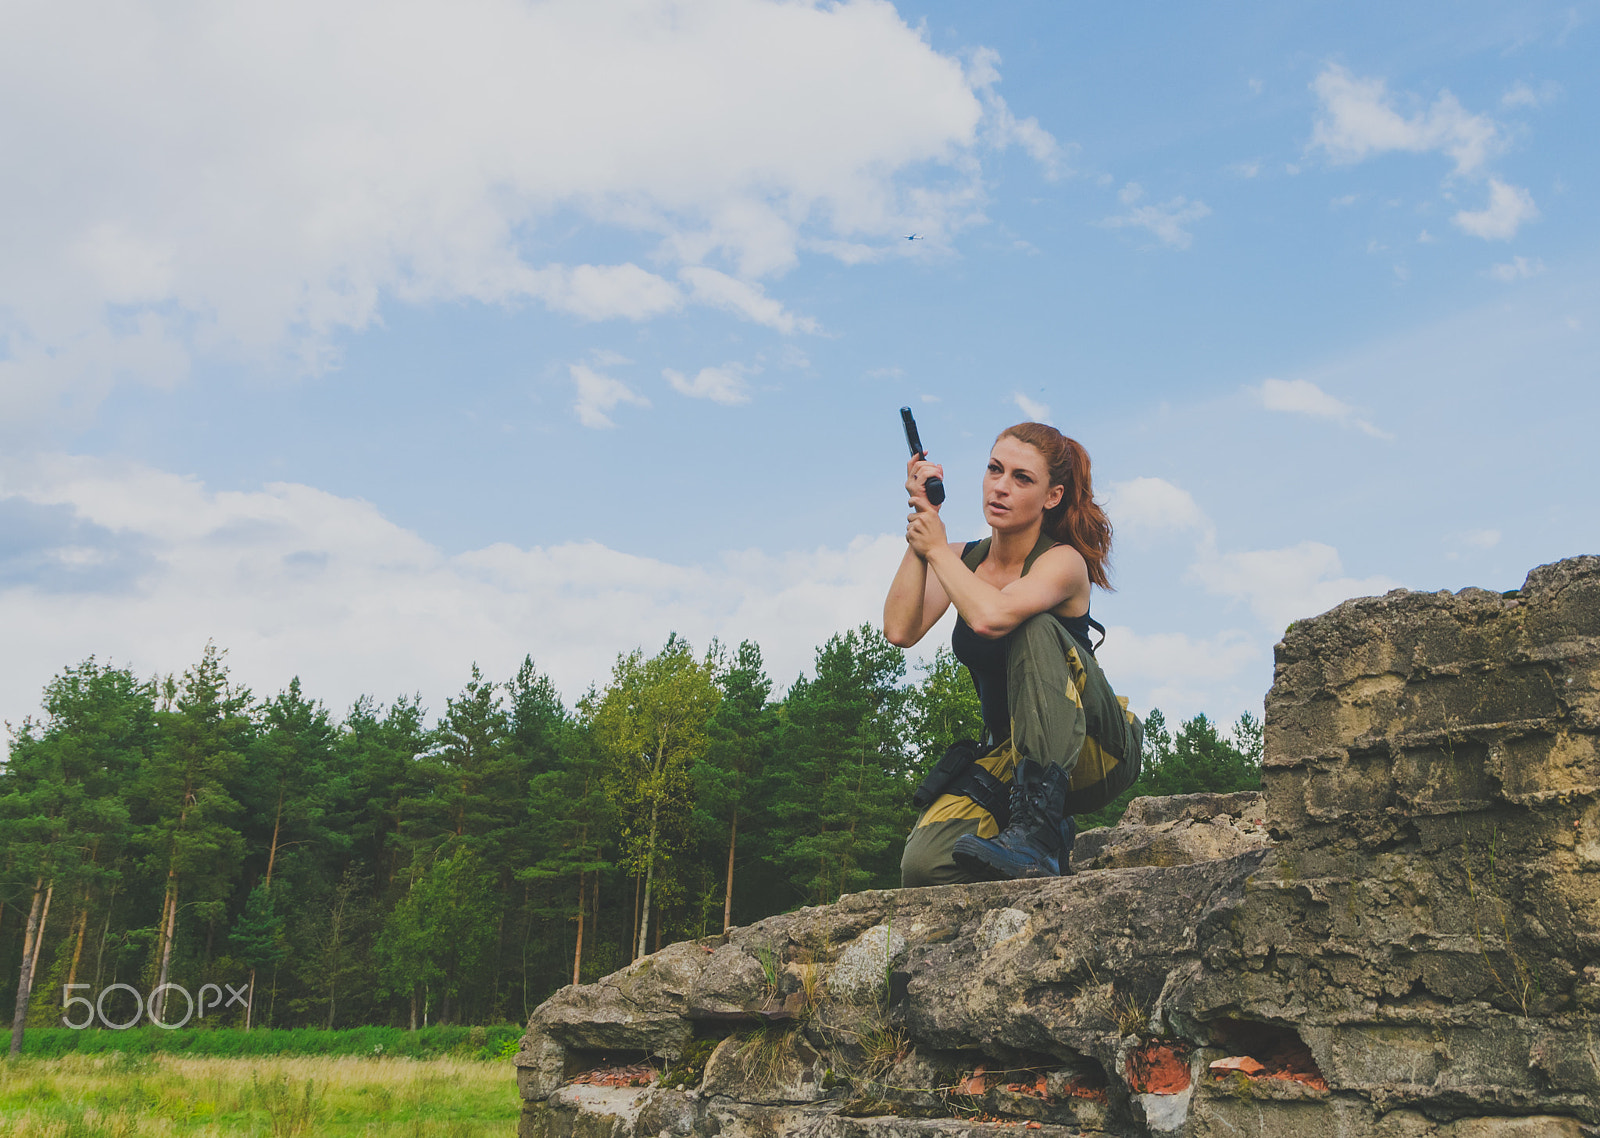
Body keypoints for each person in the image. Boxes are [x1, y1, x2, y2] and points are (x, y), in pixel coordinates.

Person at [884, 422, 1142, 886]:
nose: (1000, 487)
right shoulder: (962, 559)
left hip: (1097, 747)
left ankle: (1037, 835)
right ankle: (1044, 843)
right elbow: (900, 630)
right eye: (994, 469)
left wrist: (937, 550)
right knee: (924, 867)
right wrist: (923, 526)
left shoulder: (1062, 563)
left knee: (1032, 625)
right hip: (1013, 753)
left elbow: (992, 617)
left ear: (1052, 496)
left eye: (1022, 479)